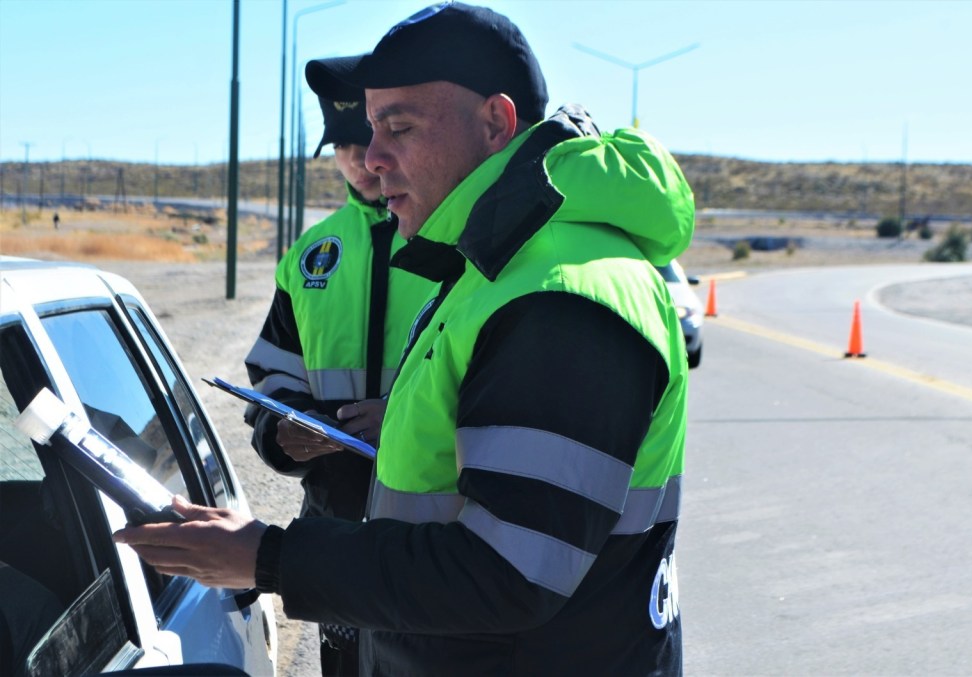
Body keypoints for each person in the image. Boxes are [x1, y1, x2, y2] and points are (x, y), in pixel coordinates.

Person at [115, 3, 695, 675]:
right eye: (366, 130)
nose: (375, 158)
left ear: (495, 122)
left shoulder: (559, 293)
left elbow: (506, 572)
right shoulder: (495, 265)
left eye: (398, 127)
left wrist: (267, 556)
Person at [243, 73, 436, 676]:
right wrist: (283, 434)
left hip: (431, 534)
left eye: (370, 136)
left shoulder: (460, 243)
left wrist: (401, 418)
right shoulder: (308, 257)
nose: (358, 158)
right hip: (336, 522)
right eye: (342, 143)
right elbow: (272, 378)